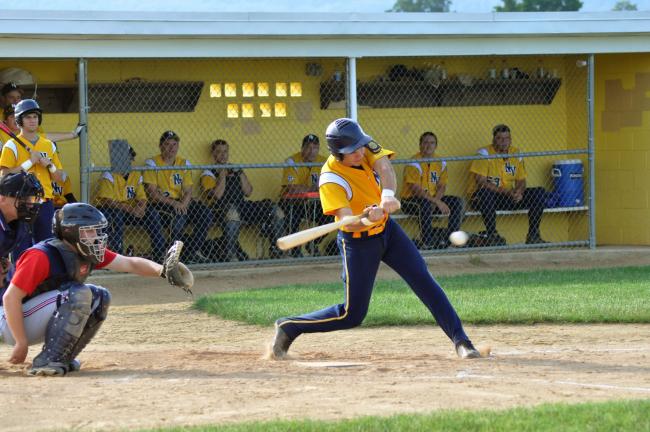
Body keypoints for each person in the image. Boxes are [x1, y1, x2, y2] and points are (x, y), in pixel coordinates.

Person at [271, 118, 481, 360]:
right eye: (353, 151)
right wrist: (368, 219)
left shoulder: (362, 143)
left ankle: (461, 341)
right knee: (352, 314)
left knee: (423, 279)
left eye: (361, 146)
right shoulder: (330, 180)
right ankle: (290, 326)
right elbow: (347, 221)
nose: (361, 152)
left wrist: (388, 195)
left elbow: (385, 169)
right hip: (358, 242)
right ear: (339, 153)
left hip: (388, 231)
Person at [0, 203, 193, 376]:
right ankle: (46, 360)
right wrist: (21, 342)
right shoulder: (41, 256)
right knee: (79, 293)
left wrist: (162, 271)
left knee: (100, 296)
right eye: (90, 231)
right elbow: (10, 298)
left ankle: (60, 356)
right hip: (11, 322)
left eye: (97, 231)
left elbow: (131, 264)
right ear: (70, 231)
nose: (97, 236)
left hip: (34, 318)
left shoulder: (85, 251)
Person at [200, 139, 284, 261]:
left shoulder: (234, 170)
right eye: (219, 152)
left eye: (225, 151)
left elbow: (248, 192)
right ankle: (230, 254)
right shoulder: (208, 173)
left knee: (276, 211)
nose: (223, 155)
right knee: (232, 213)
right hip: (220, 209)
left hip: (242, 206)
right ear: (213, 154)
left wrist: (239, 172)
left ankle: (277, 250)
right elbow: (217, 195)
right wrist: (222, 174)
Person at [0, 99, 65, 253]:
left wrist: (50, 165)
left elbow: (59, 177)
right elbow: (3, 175)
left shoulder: (48, 145)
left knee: (46, 248)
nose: (32, 120)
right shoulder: (12, 145)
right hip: (20, 205)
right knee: (21, 248)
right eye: (28, 117)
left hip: (45, 203)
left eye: (35, 116)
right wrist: (30, 163)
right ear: (19, 120)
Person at [469, 124, 548, 245]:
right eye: (500, 138)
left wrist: (519, 192)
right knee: (484, 193)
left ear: (511, 139)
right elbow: (481, 182)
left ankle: (533, 235)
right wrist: (507, 192)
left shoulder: (516, 153)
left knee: (539, 192)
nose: (504, 142)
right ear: (493, 139)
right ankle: (492, 234)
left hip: (508, 196)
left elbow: (521, 180)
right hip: (485, 198)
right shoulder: (484, 153)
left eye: (507, 138)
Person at [143, 130, 213, 263]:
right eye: (167, 144)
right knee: (179, 216)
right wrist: (176, 204)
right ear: (160, 146)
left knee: (205, 213)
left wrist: (184, 203)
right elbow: (152, 193)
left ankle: (191, 252)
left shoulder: (183, 163)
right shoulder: (152, 163)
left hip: (181, 201)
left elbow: (188, 189)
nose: (171, 148)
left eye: (174, 144)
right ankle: (172, 256)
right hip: (161, 203)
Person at [95, 145, 166, 259]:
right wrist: (131, 209)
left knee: (152, 213)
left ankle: (160, 253)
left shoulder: (135, 174)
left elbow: (142, 197)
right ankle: (116, 254)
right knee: (116, 215)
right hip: (113, 210)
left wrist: (141, 207)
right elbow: (107, 201)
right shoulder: (108, 174)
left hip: (131, 210)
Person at [401, 132, 465, 249]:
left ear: (436, 146)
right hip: (410, 201)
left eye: (432, 143)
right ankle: (427, 243)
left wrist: (437, 200)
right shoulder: (414, 163)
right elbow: (417, 191)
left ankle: (450, 241)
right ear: (420, 145)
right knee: (424, 204)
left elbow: (442, 186)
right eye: (425, 142)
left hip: (433, 199)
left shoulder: (440, 162)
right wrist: (436, 202)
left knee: (457, 202)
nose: (429, 145)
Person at [279, 134, 331, 257]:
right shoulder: (292, 161)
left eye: (315, 148)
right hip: (292, 203)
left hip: (314, 203)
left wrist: (306, 188)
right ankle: (295, 251)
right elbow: (292, 188)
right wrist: (313, 187)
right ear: (302, 148)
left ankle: (313, 243)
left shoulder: (324, 161)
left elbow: (328, 186)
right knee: (293, 218)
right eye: (308, 147)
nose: (312, 151)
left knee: (331, 216)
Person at [1, 83, 84, 144]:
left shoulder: (26, 133)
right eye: (12, 117)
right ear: (4, 121)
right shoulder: (2, 134)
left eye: (18, 97)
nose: (16, 101)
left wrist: (73, 134)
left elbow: (44, 137)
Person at [0, 172, 43, 287]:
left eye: (31, 198)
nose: (29, 204)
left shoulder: (19, 223)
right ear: (2, 199)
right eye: (23, 198)